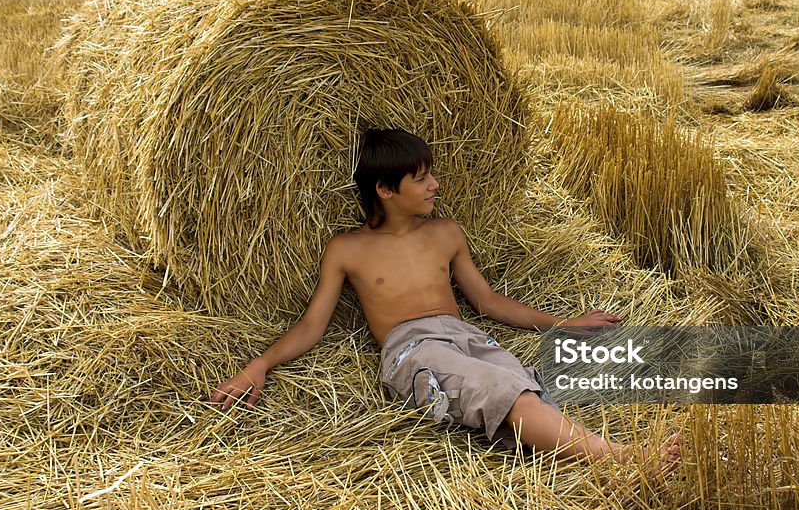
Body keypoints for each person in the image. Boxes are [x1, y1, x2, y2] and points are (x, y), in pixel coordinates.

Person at [210, 128, 681, 476]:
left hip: (465, 336)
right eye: (422, 178)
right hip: (412, 349)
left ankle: (597, 452)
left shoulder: (445, 233)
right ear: (385, 190)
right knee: (505, 394)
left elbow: (487, 301)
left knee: (522, 387)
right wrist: (261, 364)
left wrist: (563, 323)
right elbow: (313, 325)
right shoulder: (347, 249)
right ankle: (628, 461)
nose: (435, 184)